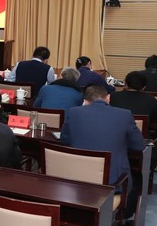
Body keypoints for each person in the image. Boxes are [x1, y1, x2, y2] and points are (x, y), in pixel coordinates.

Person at [61, 85, 146, 217]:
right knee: (135, 178)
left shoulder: (73, 112)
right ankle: (114, 217)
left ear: (85, 101)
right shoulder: (124, 114)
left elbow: (64, 140)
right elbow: (139, 145)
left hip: (76, 175)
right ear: (108, 98)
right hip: (111, 180)